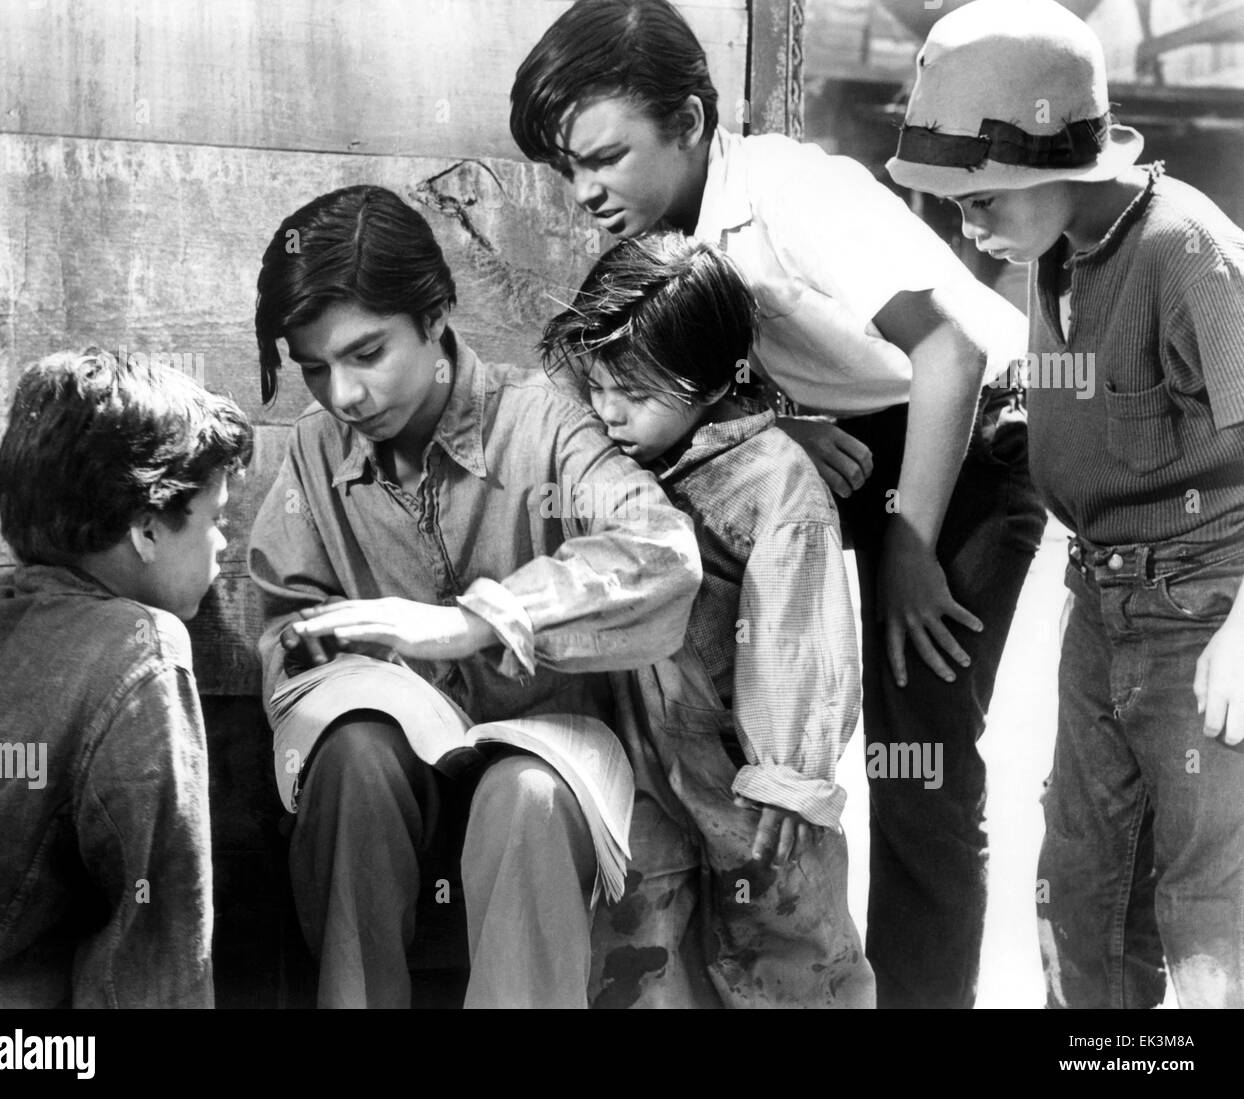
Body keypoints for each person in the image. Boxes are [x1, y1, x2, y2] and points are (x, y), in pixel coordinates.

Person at [512, 0, 1047, 1007]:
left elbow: (950, 354)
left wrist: (907, 548)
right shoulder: (660, 241)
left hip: (962, 438)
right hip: (842, 442)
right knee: (734, 687)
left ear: (688, 120)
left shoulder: (793, 191)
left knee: (918, 751)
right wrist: (769, 425)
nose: (585, 191)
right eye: (566, 169)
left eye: (605, 157)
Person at [247, 184, 703, 1009]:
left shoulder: (545, 421)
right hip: (393, 773)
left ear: (435, 316)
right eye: (315, 367)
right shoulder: (315, 454)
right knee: (349, 760)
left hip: (547, 759)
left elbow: (662, 553)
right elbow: (285, 629)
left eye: (366, 352)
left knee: (523, 796)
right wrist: (358, 671)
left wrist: (474, 624)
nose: (343, 394)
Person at [888, 0, 1244, 1010]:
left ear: (1062, 162)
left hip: (1205, 616)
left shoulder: (1187, 253)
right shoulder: (1052, 249)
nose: (970, 226)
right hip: (1101, 609)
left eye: (984, 202)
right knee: (1082, 891)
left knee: (1211, 915)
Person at [541, 231, 874, 1007]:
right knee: (637, 953)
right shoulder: (615, 461)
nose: (610, 412)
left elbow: (799, 628)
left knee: (792, 957)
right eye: (599, 385)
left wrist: (788, 775)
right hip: (642, 766)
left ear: (715, 379)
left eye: (638, 393)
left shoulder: (776, 480)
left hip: (747, 777)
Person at [0, 349, 252, 1007]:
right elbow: (159, 939)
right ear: (146, 528)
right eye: (214, 519)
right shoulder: (143, 650)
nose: (224, 545)